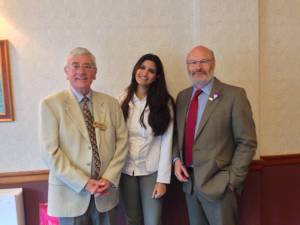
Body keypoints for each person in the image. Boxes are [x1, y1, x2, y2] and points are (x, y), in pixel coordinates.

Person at [39, 47, 128, 225]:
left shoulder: (111, 104)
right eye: (75, 65)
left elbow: (122, 143)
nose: (81, 71)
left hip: (105, 194)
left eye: (87, 66)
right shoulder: (50, 105)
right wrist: (84, 182)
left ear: (95, 73)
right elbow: (50, 153)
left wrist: (109, 178)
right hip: (70, 196)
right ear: (66, 72)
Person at [173, 45, 257, 225]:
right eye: (193, 62)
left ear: (213, 63)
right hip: (190, 185)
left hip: (220, 186)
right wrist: (176, 160)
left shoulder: (234, 95)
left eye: (203, 61)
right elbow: (176, 136)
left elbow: (247, 142)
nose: (198, 67)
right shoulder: (182, 97)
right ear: (187, 66)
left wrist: (233, 181)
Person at [118, 54, 174, 225]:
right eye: (142, 67)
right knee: (132, 220)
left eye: (151, 71)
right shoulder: (122, 99)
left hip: (152, 172)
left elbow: (167, 143)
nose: (144, 73)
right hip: (126, 171)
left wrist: (162, 180)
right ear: (136, 69)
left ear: (157, 77)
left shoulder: (165, 103)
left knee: (153, 221)